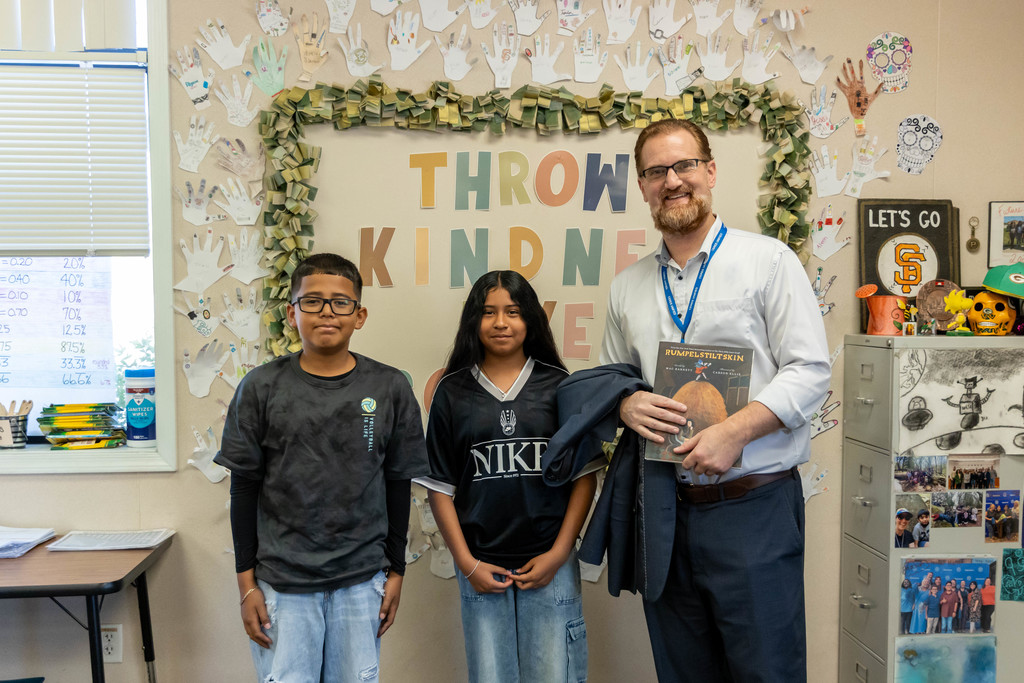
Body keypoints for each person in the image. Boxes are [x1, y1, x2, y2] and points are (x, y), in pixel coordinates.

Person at [595, 119, 830, 681]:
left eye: (684, 165)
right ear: (643, 185)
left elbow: (810, 370)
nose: (672, 181)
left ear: (711, 171)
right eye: (656, 171)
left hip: (754, 507)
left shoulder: (768, 261)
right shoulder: (626, 287)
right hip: (663, 509)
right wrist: (625, 406)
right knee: (683, 672)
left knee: (768, 672)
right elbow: (611, 380)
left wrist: (735, 431)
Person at [215, 253, 429, 682]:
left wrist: (397, 571)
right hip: (282, 584)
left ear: (359, 315)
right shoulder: (260, 387)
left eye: (340, 302)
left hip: (362, 580)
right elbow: (243, 490)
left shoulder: (389, 387)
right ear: (291, 313)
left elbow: (398, 484)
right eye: (312, 301)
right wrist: (247, 585)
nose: (327, 311)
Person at [420, 270, 602, 682]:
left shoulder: (560, 386)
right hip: (481, 564)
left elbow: (584, 478)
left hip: (550, 563)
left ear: (531, 318)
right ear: (473, 319)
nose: (500, 322)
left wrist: (559, 554)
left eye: (513, 311)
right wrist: (466, 563)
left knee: (554, 674)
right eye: (488, 312)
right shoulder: (451, 392)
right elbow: (440, 488)